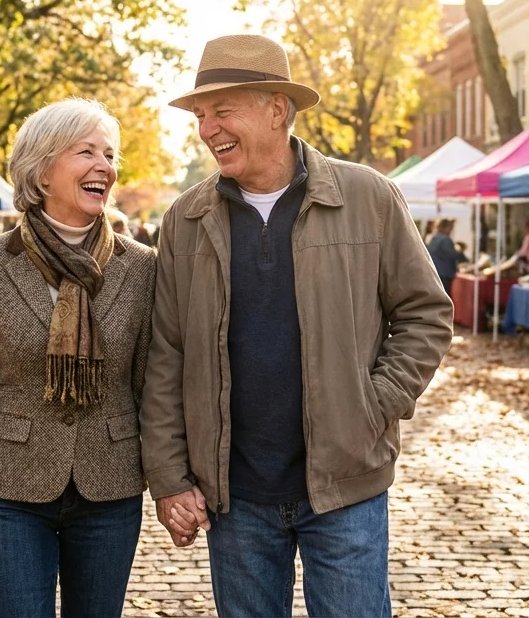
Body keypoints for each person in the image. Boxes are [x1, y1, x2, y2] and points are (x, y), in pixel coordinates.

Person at [142, 34, 454, 618]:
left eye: (223, 111)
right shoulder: (185, 221)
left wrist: (372, 404)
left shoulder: (367, 197)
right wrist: (168, 475)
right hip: (236, 498)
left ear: (277, 109)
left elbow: (426, 315)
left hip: (346, 486)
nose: (208, 129)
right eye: (201, 116)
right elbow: (167, 355)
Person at [0, 99, 157, 618]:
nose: (105, 166)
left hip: (110, 488)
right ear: (42, 169)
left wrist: (173, 486)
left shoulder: (140, 267)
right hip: (9, 492)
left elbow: (152, 390)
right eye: (87, 152)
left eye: (110, 155)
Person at [427, 218, 468, 291]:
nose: (451, 230)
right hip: (444, 273)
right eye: (451, 228)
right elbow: (452, 255)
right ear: (446, 227)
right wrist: (461, 254)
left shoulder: (434, 238)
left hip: (435, 272)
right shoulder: (445, 239)